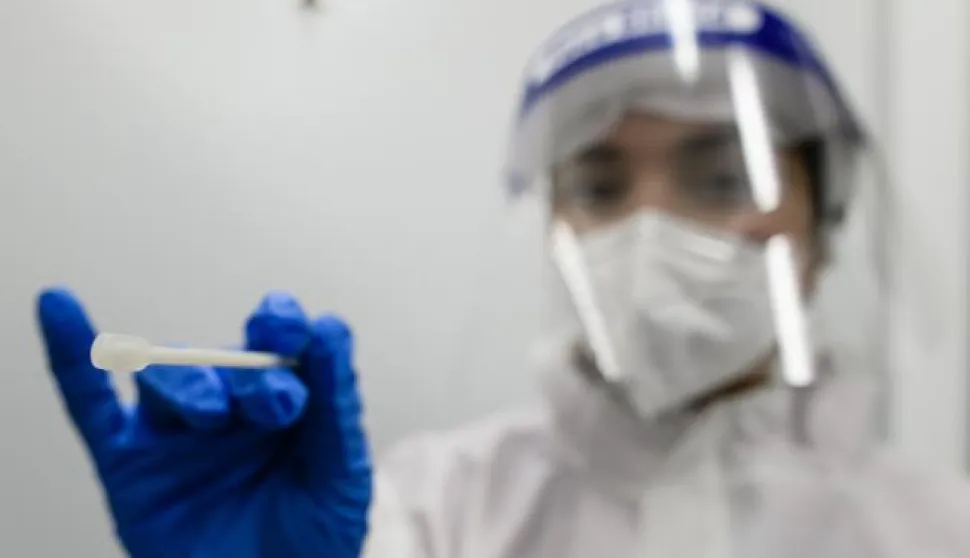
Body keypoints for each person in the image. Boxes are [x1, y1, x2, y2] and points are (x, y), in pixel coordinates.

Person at [35, 1, 970, 557]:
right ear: (554, 224)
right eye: (598, 186)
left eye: (723, 177)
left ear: (824, 224)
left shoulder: (939, 530)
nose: (649, 228)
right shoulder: (428, 511)